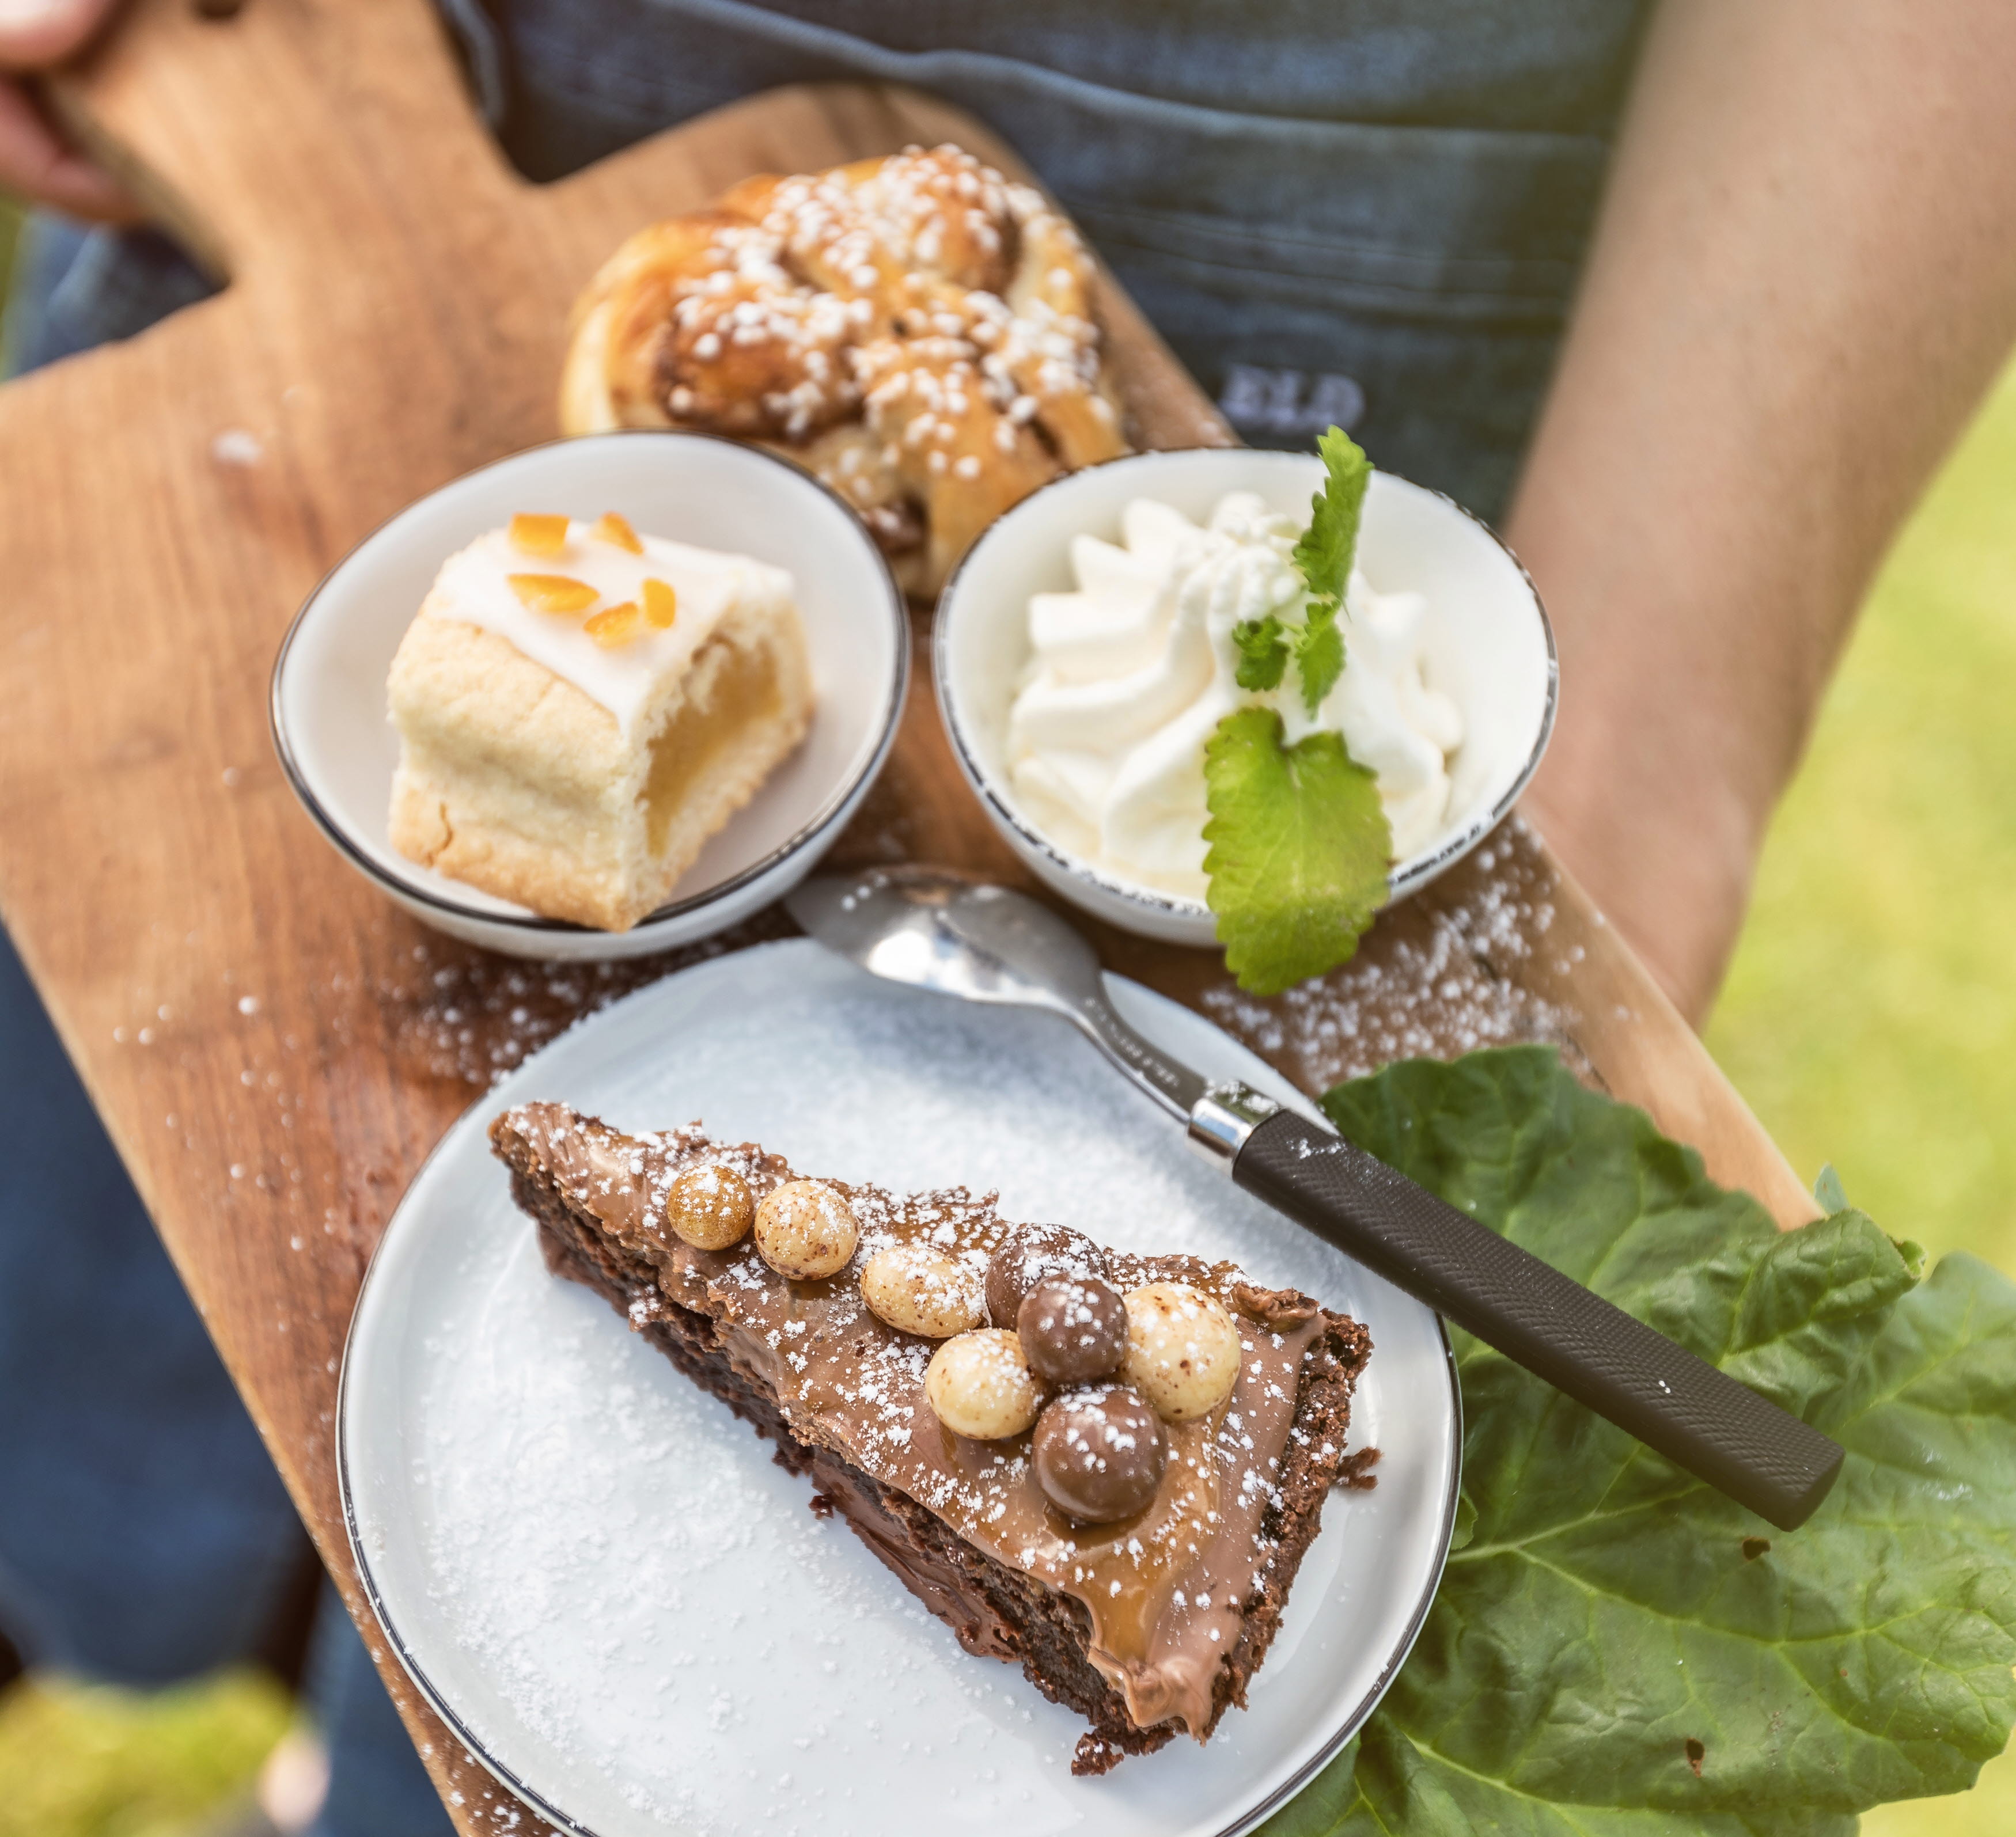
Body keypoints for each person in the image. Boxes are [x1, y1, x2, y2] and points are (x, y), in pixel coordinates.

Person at [3, 2, 2014, 1832]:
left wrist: (1654, 751)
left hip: (1282, 264)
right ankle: (227, 1670)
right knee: (154, 1301)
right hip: (303, 75)